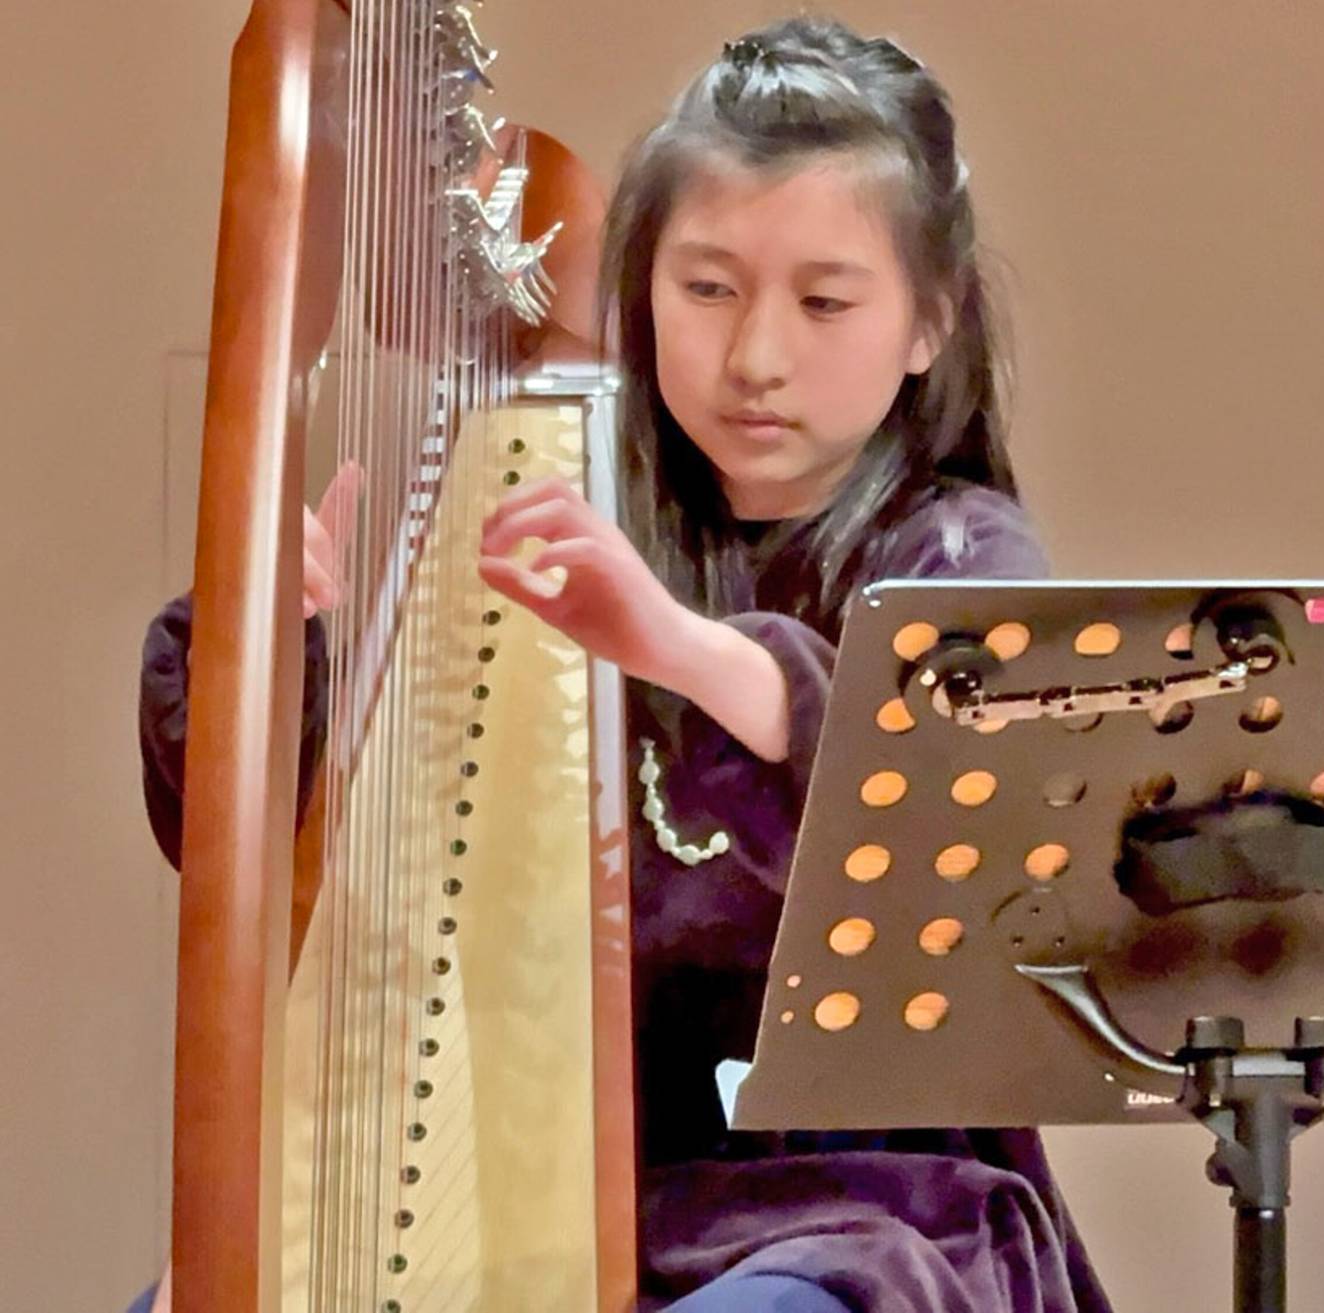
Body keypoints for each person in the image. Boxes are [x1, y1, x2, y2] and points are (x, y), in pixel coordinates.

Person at [137, 17, 1111, 1313]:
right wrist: (269, 637)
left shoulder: (956, 554)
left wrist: (684, 647)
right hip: (574, 1196)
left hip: (860, 1214)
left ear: (929, 321)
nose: (757, 355)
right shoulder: (573, 495)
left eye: (824, 301)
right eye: (707, 288)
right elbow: (265, 837)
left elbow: (958, 784)